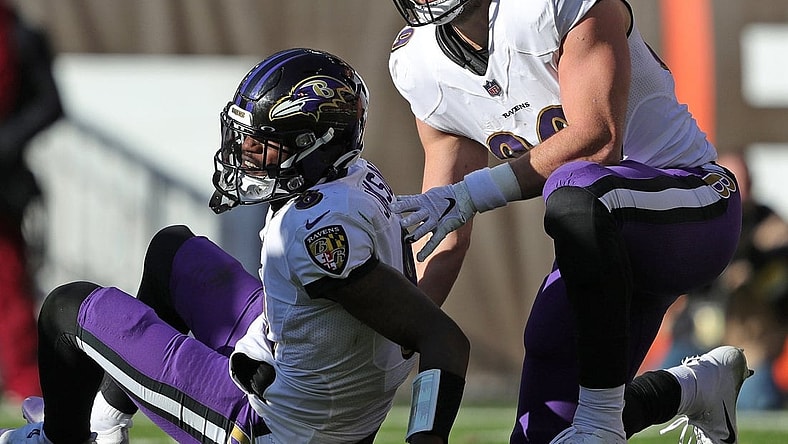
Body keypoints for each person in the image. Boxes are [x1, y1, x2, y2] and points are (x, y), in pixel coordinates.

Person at [0, 48, 470, 444]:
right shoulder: (352, 179)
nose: (245, 154)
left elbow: (442, 340)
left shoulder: (315, 229)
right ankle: (103, 423)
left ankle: (61, 438)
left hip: (278, 429)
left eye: (262, 144)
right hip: (318, 391)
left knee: (65, 309)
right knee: (173, 252)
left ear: (315, 143)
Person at [387, 1, 751, 443]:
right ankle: (689, 388)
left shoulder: (549, 6)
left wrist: (469, 194)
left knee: (575, 188)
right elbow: (442, 231)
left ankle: (600, 420)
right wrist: (395, 334)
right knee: (544, 428)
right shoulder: (417, 63)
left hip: (691, 209)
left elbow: (598, 140)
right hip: (599, 247)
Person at [0, 3, 62, 404]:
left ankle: (30, 398)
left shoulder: (18, 34)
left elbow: (50, 103)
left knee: (11, 294)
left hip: (2, 188)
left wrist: (4, 145)